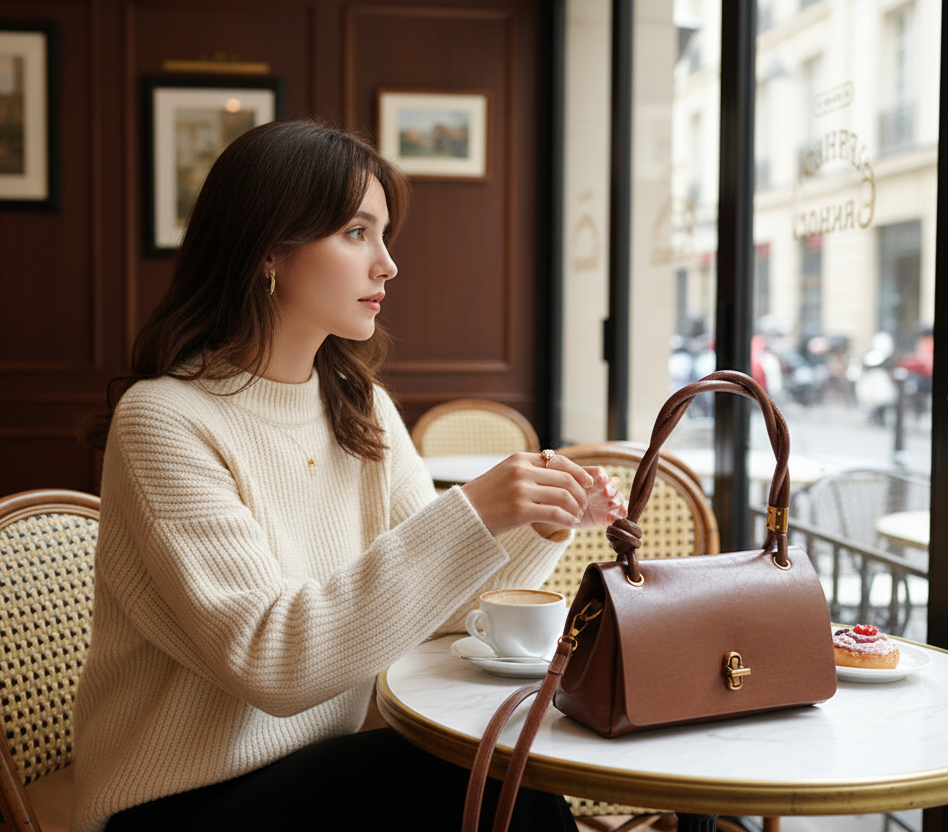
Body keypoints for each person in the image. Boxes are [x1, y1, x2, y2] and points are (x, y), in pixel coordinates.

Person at [73, 119, 634, 832]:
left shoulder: (358, 405)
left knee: (510, 776)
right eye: (356, 232)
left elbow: (431, 620)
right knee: (505, 790)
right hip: (180, 798)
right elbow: (273, 666)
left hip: (327, 763)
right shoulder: (166, 420)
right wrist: (473, 512)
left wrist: (534, 526)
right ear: (269, 249)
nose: (388, 264)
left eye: (385, 234)